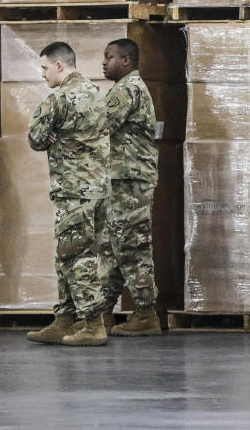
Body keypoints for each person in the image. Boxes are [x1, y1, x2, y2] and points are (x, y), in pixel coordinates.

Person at [26, 42, 110, 347]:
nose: (43, 74)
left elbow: (35, 139)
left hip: (73, 191)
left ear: (60, 65)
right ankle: (65, 319)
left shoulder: (59, 99)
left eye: (45, 67)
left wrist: (51, 135)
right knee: (72, 253)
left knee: (76, 256)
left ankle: (92, 323)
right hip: (98, 188)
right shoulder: (97, 94)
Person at [98, 39, 161, 336]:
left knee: (132, 245)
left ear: (126, 60)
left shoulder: (126, 90)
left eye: (109, 57)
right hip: (122, 179)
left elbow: (98, 125)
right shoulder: (125, 89)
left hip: (130, 181)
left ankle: (146, 313)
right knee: (113, 246)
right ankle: (103, 312)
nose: (104, 62)